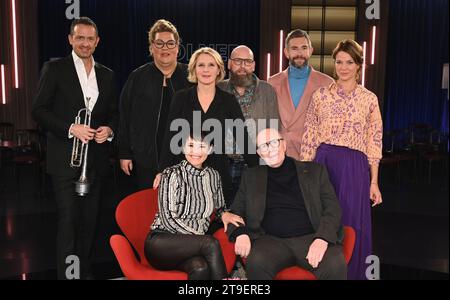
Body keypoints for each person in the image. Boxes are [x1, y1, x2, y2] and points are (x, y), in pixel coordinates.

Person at [32, 17, 119, 279]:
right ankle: (68, 276)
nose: (85, 43)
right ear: (70, 39)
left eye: (90, 38)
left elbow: (114, 113)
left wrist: (109, 130)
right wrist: (71, 128)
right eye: (79, 38)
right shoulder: (55, 69)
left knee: (90, 226)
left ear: (97, 41)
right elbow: (39, 110)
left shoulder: (107, 74)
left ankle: (86, 274)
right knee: (69, 224)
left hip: (95, 162)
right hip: (65, 161)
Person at [300, 39, 383, 280]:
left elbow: (374, 142)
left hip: (355, 167)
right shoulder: (321, 96)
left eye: (350, 62)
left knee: (352, 221)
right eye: (339, 62)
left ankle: (353, 274)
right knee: (321, 217)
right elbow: (309, 136)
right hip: (323, 162)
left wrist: (374, 181)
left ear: (359, 65)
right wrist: (306, 173)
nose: (343, 67)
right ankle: (322, 271)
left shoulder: (369, 99)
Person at [225, 128, 346, 280]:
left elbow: (333, 209)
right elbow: (236, 211)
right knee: (256, 262)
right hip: (271, 241)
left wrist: (322, 239)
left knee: (335, 263)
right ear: (259, 153)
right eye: (264, 146)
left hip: (311, 237)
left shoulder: (315, 171)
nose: (270, 150)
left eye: (274, 143)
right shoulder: (251, 177)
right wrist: (241, 233)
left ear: (284, 144)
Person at [155, 47, 259, 207]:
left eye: (211, 65)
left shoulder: (228, 100)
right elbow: (170, 137)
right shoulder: (180, 98)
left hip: (218, 174)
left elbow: (243, 139)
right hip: (184, 173)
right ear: (194, 70)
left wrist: (259, 171)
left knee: (217, 226)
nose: (206, 70)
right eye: (201, 65)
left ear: (219, 70)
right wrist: (163, 171)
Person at [144, 134, 244, 280]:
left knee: (200, 268)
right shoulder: (171, 174)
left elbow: (219, 209)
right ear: (183, 148)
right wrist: (200, 239)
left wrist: (224, 214)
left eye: (202, 146)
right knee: (210, 243)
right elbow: (168, 218)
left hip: (195, 246)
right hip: (161, 243)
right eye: (191, 145)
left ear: (210, 149)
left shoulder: (213, 175)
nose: (196, 152)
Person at [118, 19, 191, 190]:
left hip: (184, 158)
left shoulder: (191, 76)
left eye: (170, 43)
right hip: (145, 159)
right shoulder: (137, 77)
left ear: (178, 47)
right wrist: (124, 153)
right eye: (159, 43)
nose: (165, 48)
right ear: (151, 47)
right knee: (147, 209)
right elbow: (124, 116)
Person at [218, 45, 279, 198]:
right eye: (238, 61)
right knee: (225, 212)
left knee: (254, 214)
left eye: (247, 61)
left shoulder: (267, 91)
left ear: (253, 65)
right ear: (229, 63)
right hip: (225, 164)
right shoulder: (218, 88)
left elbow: (273, 128)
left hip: (255, 164)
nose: (242, 66)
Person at [268, 29, 333, 161]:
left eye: (304, 48)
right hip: (281, 154)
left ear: (311, 50)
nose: (299, 53)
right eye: (294, 48)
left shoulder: (327, 83)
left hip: (313, 156)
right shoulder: (272, 82)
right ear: (286, 52)